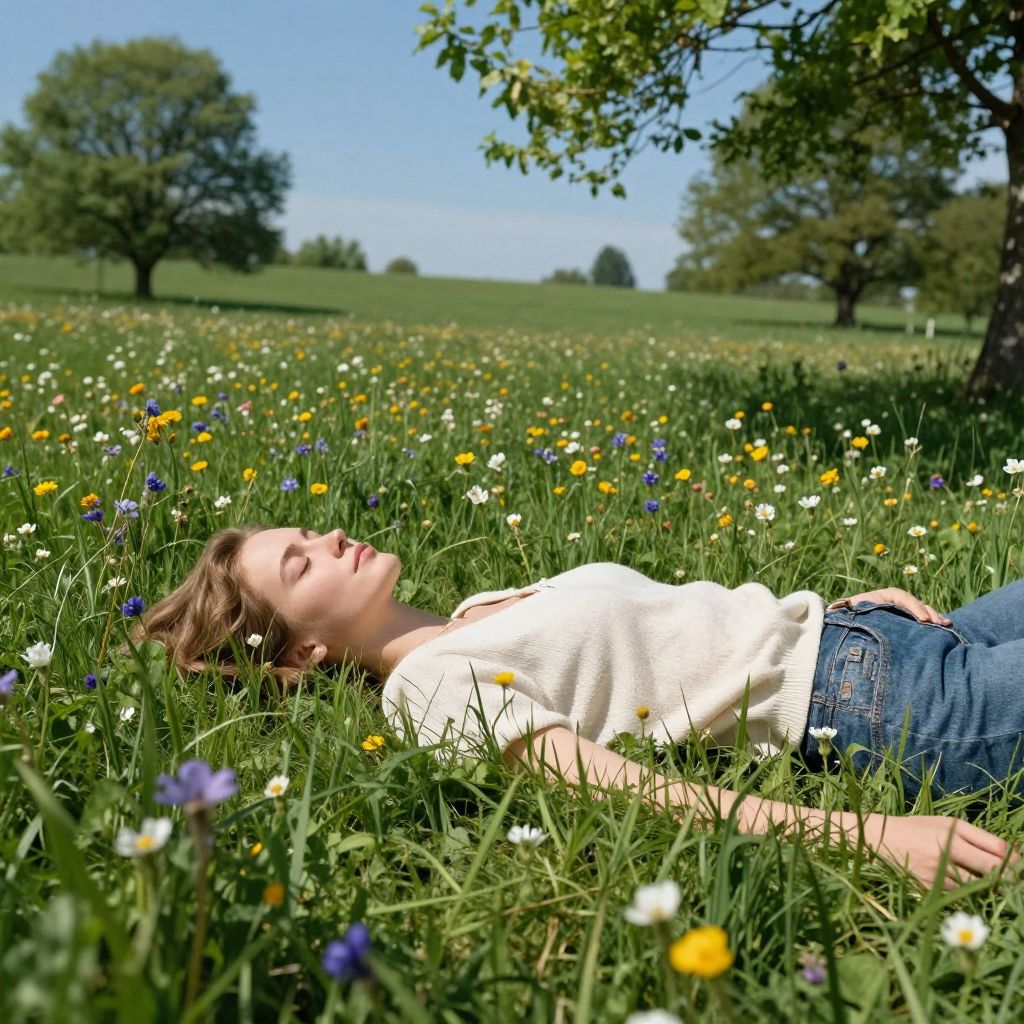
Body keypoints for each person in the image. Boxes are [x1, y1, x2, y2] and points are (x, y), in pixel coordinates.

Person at [136, 522, 1023, 891]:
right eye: (301, 564)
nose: (328, 537)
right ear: (302, 652)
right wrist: (873, 838)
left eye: (306, 534)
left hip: (874, 641)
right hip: (897, 708)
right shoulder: (429, 694)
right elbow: (631, 793)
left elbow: (685, 641)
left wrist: (842, 615)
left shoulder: (478, 611)